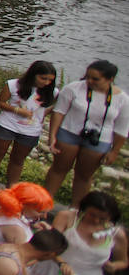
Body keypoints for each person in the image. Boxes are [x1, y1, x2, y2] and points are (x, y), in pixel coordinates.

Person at [42, 60, 127, 205]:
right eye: (87, 77)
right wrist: (52, 136)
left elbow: (122, 129)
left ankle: (75, 210)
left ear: (110, 79)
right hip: (69, 132)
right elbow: (59, 112)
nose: (89, 81)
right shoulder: (73, 88)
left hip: (99, 139)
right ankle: (42, 203)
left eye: (95, 79)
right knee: (59, 169)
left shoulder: (123, 100)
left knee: (84, 176)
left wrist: (114, 151)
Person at [0, 61, 57, 186]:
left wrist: (43, 113)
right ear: (33, 74)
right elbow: (0, 102)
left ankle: (11, 188)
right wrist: (17, 110)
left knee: (18, 160)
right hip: (7, 124)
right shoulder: (13, 85)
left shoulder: (53, 92)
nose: (46, 83)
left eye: (50, 80)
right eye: (43, 78)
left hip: (31, 130)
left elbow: (57, 107)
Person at [47, 190, 128, 275]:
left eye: (103, 218)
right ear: (84, 209)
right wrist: (61, 263)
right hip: (55, 273)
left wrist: (114, 266)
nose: (96, 220)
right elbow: (48, 245)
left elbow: (123, 261)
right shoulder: (67, 217)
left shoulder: (117, 234)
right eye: (92, 214)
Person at [0, 182, 53, 273]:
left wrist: (31, 225)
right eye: (40, 212)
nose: (45, 216)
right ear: (24, 205)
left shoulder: (1, 208)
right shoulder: (16, 230)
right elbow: (26, 260)